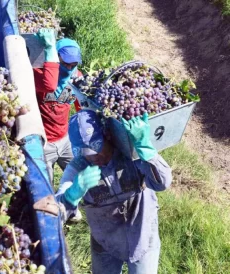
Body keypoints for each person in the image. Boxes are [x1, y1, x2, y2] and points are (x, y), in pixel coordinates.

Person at [56, 109, 172, 274]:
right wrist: (70, 196)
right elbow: (53, 213)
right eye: (88, 153)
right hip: (105, 242)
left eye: (97, 147)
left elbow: (163, 183)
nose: (94, 156)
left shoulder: (130, 153)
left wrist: (146, 148)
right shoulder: (77, 169)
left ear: (107, 135)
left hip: (143, 237)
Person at [33, 29, 82, 184]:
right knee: (46, 185)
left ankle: (71, 206)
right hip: (44, 144)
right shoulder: (40, 75)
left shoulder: (77, 77)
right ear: (56, 58)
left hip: (66, 140)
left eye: (73, 65)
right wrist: (49, 47)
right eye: (65, 64)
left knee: (79, 180)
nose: (69, 68)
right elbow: (50, 84)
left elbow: (81, 107)